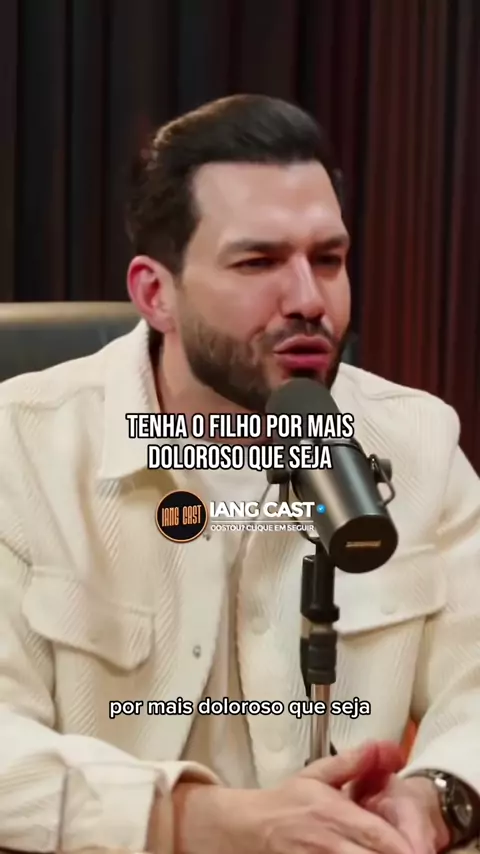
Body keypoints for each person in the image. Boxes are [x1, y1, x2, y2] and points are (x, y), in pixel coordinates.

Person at [0, 94, 479, 854]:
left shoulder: (417, 438)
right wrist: (204, 821)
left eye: (328, 259)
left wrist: (435, 797)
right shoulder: (21, 446)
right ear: (155, 294)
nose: (309, 300)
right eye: (258, 263)